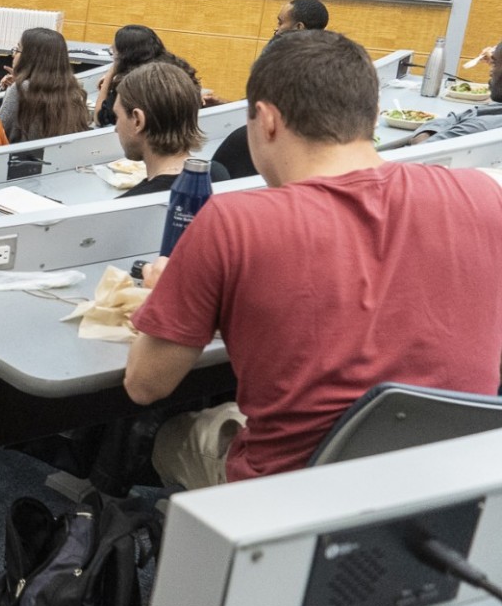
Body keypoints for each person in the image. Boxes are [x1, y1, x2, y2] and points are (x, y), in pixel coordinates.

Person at [126, 30, 502, 488]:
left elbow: (145, 384)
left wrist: (170, 290)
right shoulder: (485, 195)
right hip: (444, 493)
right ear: (374, 116)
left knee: (166, 434)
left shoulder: (234, 222)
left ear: (265, 121)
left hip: (293, 498)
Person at [210, 0, 334, 179]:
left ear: (299, 27)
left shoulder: (244, 141)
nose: (276, 29)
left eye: (281, 22)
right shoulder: (332, 58)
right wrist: (227, 105)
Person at [112, 60, 230, 197]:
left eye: (117, 117)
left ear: (138, 121)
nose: (116, 128)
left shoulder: (127, 208)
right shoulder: (216, 173)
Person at [0, 25, 92, 143]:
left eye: (17, 49)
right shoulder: (72, 89)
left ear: (31, 56)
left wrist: (13, 89)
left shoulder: (21, 89)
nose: (13, 54)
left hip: (19, 158)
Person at [411, 39, 502, 144]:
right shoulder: (493, 112)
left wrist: (423, 136)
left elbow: (422, 150)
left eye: (494, 64)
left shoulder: (481, 126)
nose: (490, 72)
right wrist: (429, 131)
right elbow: (459, 117)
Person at [92, 24, 164, 130]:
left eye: (114, 50)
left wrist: (110, 74)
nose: (111, 48)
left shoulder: (130, 83)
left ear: (124, 55)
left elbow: (99, 118)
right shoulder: (166, 73)